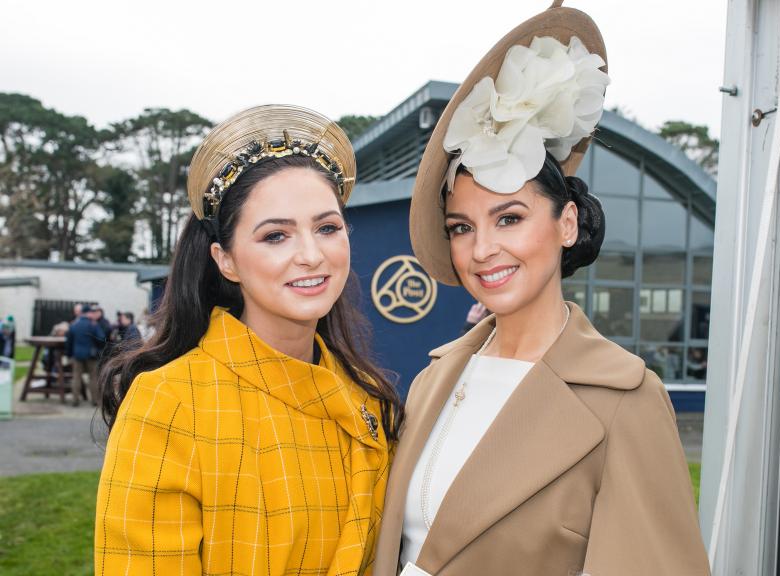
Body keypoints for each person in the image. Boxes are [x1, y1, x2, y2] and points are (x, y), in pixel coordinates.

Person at [373, 3, 711, 575]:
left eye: (509, 218)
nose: (483, 249)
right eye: (461, 227)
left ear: (567, 223)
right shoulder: (434, 378)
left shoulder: (625, 401)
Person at [95, 105, 402, 576]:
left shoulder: (368, 396)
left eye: (327, 228)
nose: (311, 255)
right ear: (226, 260)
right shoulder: (168, 404)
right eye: (276, 236)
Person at [65, 304, 106, 406]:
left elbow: (69, 342)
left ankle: (75, 400)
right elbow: (102, 338)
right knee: (93, 377)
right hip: (91, 355)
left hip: (77, 355)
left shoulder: (74, 325)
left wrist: (69, 355)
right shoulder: (93, 325)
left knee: (76, 377)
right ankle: (95, 400)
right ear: (89, 313)